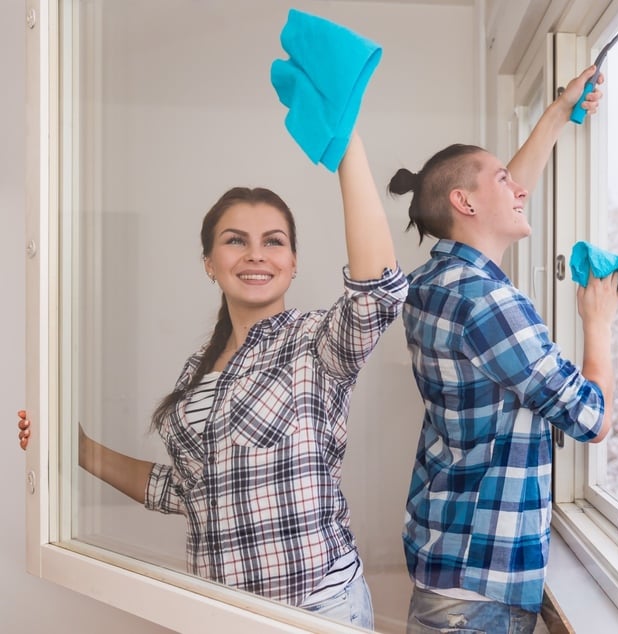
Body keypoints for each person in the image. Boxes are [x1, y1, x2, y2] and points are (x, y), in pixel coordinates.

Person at [17, 130, 407, 630]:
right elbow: (182, 491)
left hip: (314, 612)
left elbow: (376, 294)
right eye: (235, 241)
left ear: (292, 263)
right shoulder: (197, 370)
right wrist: (78, 448)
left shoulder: (316, 343)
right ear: (209, 264)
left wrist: (345, 139)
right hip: (219, 613)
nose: (256, 254)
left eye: (274, 241)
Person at [387, 65, 618, 633]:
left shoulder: (433, 283)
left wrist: (558, 113)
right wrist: (599, 322)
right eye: (501, 181)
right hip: (479, 595)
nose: (520, 190)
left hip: (447, 558)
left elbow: (502, 194)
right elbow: (592, 417)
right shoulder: (489, 303)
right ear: (464, 202)